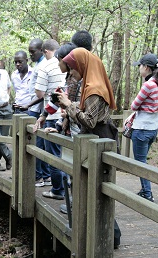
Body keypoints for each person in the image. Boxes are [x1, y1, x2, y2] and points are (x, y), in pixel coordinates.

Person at [55, 47, 121, 249]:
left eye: (73, 70)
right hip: (94, 141)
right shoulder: (90, 86)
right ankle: (96, 231)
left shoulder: (94, 88)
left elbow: (90, 121)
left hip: (98, 140)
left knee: (97, 190)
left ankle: (112, 235)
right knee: (89, 189)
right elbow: (89, 111)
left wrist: (68, 105)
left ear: (82, 66)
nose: (72, 74)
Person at [131, 53, 158, 202]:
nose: (139, 68)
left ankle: (147, 193)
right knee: (143, 160)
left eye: (140, 66)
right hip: (153, 128)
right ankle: (145, 190)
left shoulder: (148, 85)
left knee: (141, 163)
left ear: (146, 67)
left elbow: (134, 105)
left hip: (142, 129)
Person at [34, 39, 66, 199]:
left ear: (45, 51)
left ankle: (58, 190)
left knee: (54, 156)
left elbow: (39, 93)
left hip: (53, 115)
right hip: (66, 115)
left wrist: (42, 115)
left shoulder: (45, 67)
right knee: (65, 154)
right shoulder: (69, 64)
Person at [18, 39, 51, 187]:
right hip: (34, 108)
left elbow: (42, 94)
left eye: (33, 52)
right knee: (38, 142)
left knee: (36, 143)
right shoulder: (39, 64)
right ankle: (42, 175)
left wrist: (28, 106)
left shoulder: (44, 65)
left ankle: (39, 176)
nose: (31, 55)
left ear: (42, 50)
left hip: (36, 109)